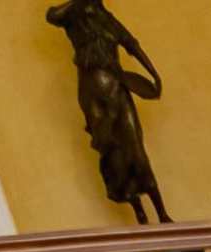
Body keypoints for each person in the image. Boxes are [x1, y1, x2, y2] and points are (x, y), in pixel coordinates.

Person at [47, 0, 173, 226]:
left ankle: (162, 214)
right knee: (113, 154)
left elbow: (132, 46)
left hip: (117, 91)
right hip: (92, 96)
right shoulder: (72, 19)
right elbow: (51, 15)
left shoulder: (109, 20)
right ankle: (140, 215)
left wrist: (154, 75)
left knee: (136, 151)